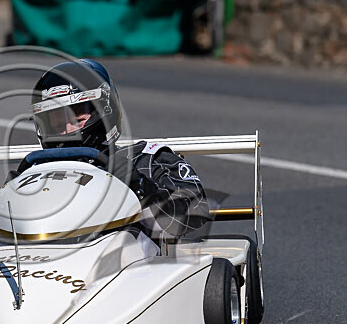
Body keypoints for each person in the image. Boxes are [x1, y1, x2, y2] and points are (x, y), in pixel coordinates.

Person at [23, 59, 209, 237]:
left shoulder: (144, 159)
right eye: (56, 122)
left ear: (105, 110)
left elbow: (195, 212)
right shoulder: (35, 172)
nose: (67, 129)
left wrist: (142, 189)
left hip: (128, 262)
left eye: (76, 118)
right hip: (52, 263)